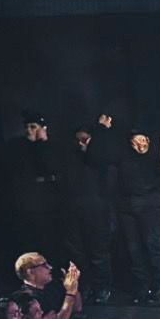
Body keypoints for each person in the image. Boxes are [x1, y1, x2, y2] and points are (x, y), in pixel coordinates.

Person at [109, 125, 160, 302]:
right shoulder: (124, 159)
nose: (140, 144)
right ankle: (142, 286)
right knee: (134, 249)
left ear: (148, 141)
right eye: (136, 142)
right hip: (128, 207)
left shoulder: (154, 157)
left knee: (153, 245)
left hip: (152, 205)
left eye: (143, 140)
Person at [4, 112, 66, 267]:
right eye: (27, 127)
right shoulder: (18, 146)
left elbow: (50, 167)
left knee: (51, 243)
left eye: (33, 127)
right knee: (30, 244)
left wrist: (41, 143)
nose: (29, 131)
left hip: (49, 204)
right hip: (28, 204)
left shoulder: (53, 146)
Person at [65, 118, 116, 302]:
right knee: (77, 252)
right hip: (75, 208)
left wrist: (100, 130)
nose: (81, 144)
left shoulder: (100, 157)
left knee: (98, 251)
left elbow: (96, 156)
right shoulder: (72, 157)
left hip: (97, 208)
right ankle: (85, 286)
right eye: (78, 140)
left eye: (85, 140)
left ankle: (102, 287)